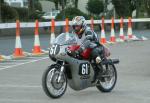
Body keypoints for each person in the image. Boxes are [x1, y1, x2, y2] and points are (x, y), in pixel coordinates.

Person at [67, 16, 110, 80]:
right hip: (84, 49)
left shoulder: (88, 30)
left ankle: (101, 70)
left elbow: (88, 40)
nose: (76, 28)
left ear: (82, 25)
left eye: (77, 26)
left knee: (94, 52)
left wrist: (79, 50)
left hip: (96, 47)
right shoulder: (74, 33)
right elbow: (70, 41)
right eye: (74, 26)